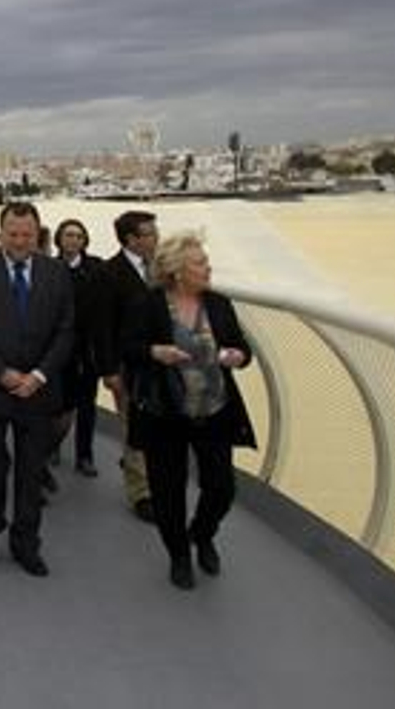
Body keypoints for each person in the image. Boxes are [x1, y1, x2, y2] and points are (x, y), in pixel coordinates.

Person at [126, 231, 256, 590]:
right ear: (177, 270)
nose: (208, 267)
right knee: (168, 492)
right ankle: (179, 555)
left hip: (213, 411)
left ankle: (201, 533)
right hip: (164, 414)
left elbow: (242, 348)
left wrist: (237, 356)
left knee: (222, 488)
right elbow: (129, 347)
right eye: (200, 263)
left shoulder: (218, 304)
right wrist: (155, 352)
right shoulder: (148, 304)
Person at [0, 202, 74, 577]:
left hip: (38, 392)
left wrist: (38, 375)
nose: (20, 241)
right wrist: (2, 373)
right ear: (2, 231)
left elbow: (66, 329)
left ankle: (26, 543)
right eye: (13, 234)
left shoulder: (56, 272)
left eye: (27, 235)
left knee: (31, 472)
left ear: (37, 234)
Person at [96, 210, 160, 522]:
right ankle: (141, 493)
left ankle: (152, 476)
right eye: (149, 233)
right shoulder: (110, 273)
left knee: (158, 426)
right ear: (131, 239)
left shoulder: (162, 269)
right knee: (133, 426)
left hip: (160, 363)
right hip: (126, 365)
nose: (155, 238)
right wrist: (109, 371)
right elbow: (103, 325)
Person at [53, 219, 104, 478]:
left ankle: (85, 455)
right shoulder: (48, 268)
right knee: (59, 404)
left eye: (78, 236)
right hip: (57, 349)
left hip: (87, 350)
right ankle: (53, 445)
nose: (73, 240)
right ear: (59, 239)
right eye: (68, 235)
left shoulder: (96, 268)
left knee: (87, 405)